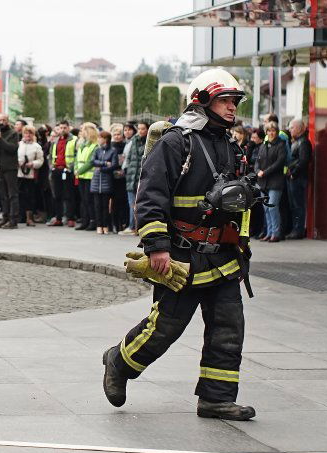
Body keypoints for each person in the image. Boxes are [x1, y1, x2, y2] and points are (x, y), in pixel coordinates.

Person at [102, 68, 259, 421]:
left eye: (234, 101)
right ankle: (118, 362)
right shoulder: (176, 143)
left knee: (229, 331)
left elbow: (240, 206)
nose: (232, 107)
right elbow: (150, 197)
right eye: (224, 100)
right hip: (181, 258)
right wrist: (157, 247)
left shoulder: (232, 146)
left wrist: (242, 246)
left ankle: (217, 398)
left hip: (223, 257)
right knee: (164, 330)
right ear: (201, 100)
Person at [254, 121, 286, 242]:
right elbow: (258, 160)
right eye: (269, 131)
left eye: (273, 131)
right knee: (266, 208)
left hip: (275, 181)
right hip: (263, 182)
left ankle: (276, 233)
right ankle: (269, 233)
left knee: (272, 207)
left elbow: (279, 162)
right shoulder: (264, 145)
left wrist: (264, 172)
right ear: (266, 132)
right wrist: (257, 170)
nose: (271, 133)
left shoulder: (281, 144)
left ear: (277, 132)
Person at [0, 115, 20, 229]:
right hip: (0, 166)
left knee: (12, 194)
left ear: (7, 122)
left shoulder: (13, 133)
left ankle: (13, 220)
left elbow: (12, 148)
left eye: (3, 120)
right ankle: (5, 217)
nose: (1, 122)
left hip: (10, 167)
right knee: (3, 194)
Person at [47, 120, 78, 226]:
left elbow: (76, 155)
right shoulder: (55, 140)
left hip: (68, 170)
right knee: (57, 195)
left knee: (69, 195)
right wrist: (52, 166)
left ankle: (70, 218)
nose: (62, 130)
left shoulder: (74, 139)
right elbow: (51, 155)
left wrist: (71, 168)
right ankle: (58, 218)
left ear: (68, 128)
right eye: (61, 128)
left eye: (65, 127)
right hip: (57, 169)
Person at [286, 118, 312, 239]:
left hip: (298, 178)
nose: (290, 130)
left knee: (298, 205)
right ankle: (295, 229)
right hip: (293, 177)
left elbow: (303, 161)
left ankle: (298, 230)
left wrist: (293, 173)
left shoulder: (304, 142)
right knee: (293, 205)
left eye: (292, 127)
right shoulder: (297, 141)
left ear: (300, 128)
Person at [17, 125, 44, 225]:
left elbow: (41, 160)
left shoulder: (37, 146)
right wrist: (18, 163)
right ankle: (20, 216)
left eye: (30, 133)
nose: (28, 135)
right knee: (19, 195)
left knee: (30, 196)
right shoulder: (19, 145)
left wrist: (33, 164)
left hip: (31, 175)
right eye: (26, 133)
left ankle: (29, 218)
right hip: (19, 174)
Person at [73, 122, 98, 230]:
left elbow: (90, 162)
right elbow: (77, 159)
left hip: (89, 176)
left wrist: (79, 171)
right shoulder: (82, 145)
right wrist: (76, 169)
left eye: (83, 130)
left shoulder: (94, 146)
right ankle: (85, 221)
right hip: (81, 176)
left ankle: (92, 221)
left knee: (89, 200)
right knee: (83, 200)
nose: (81, 132)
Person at [90, 129, 116, 234]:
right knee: (97, 205)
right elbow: (92, 161)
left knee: (105, 206)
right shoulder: (97, 150)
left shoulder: (113, 150)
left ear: (105, 139)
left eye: (100, 138)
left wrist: (101, 168)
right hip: (96, 181)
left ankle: (105, 225)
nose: (98, 139)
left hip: (106, 181)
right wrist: (105, 163)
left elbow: (114, 165)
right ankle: (99, 225)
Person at [123, 121, 146, 232]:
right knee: (131, 203)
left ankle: (137, 227)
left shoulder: (149, 142)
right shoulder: (134, 141)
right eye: (139, 129)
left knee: (139, 204)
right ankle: (132, 226)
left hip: (141, 176)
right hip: (131, 175)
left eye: (143, 129)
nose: (140, 131)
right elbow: (129, 158)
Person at [110, 124, 131, 234]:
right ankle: (115, 224)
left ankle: (124, 223)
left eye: (119, 134)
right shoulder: (111, 146)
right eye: (115, 134)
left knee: (124, 201)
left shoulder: (125, 145)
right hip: (112, 177)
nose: (117, 136)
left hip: (123, 177)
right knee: (114, 202)